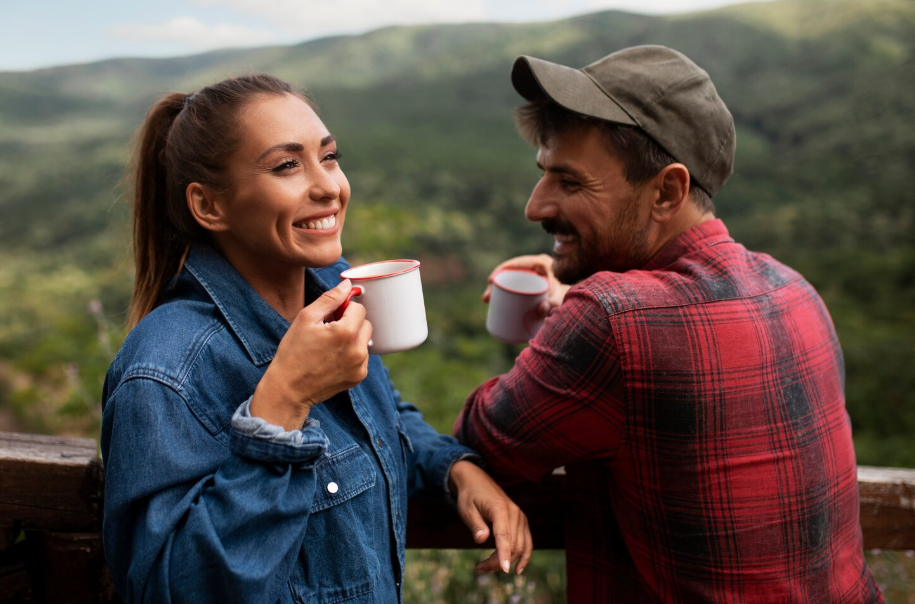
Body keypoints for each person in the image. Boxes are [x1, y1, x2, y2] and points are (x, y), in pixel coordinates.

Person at [453, 45, 882, 603]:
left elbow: (482, 440)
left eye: (570, 182)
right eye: (544, 175)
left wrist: (577, 311)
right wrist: (574, 306)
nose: (536, 207)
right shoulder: (793, 288)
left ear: (667, 191)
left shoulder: (612, 320)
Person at [100, 73, 532, 604]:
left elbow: (380, 414)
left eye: (329, 156)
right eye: (287, 165)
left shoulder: (330, 297)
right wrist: (281, 406)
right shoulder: (166, 370)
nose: (329, 185)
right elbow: (170, 590)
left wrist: (454, 468)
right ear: (209, 206)